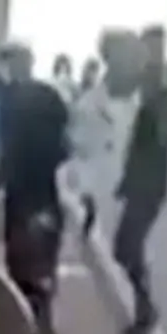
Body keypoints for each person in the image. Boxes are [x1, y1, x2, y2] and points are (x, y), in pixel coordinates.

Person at [0, 42, 70, 334]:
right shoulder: (51, 97)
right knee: (43, 276)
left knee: (21, 279)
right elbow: (67, 148)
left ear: (15, 65)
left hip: (22, 203)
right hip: (48, 202)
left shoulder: (10, 103)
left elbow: (2, 154)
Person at [113, 25, 167, 334]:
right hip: (139, 184)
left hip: (149, 187)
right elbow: (136, 142)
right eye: (147, 48)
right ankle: (144, 308)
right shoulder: (147, 87)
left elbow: (161, 141)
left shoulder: (162, 92)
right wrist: (125, 180)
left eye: (156, 48)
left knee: (126, 247)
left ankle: (145, 311)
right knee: (125, 248)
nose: (151, 55)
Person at [69, 56, 113, 238]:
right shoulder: (78, 92)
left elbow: (108, 116)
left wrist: (108, 135)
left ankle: (89, 218)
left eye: (93, 71)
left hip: (91, 144)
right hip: (78, 142)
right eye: (87, 71)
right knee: (78, 186)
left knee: (86, 187)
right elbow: (72, 115)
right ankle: (88, 213)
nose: (89, 75)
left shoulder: (99, 94)